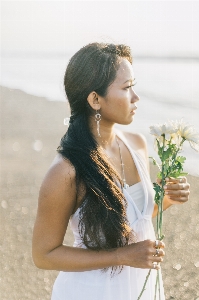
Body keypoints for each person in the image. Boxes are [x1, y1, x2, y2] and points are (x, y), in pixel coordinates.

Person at [32, 43, 190, 300]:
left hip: (143, 288)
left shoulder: (137, 144)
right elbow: (43, 255)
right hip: (91, 291)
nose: (136, 97)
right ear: (95, 99)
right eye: (127, 88)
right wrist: (121, 256)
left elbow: (134, 217)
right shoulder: (66, 171)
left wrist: (168, 197)